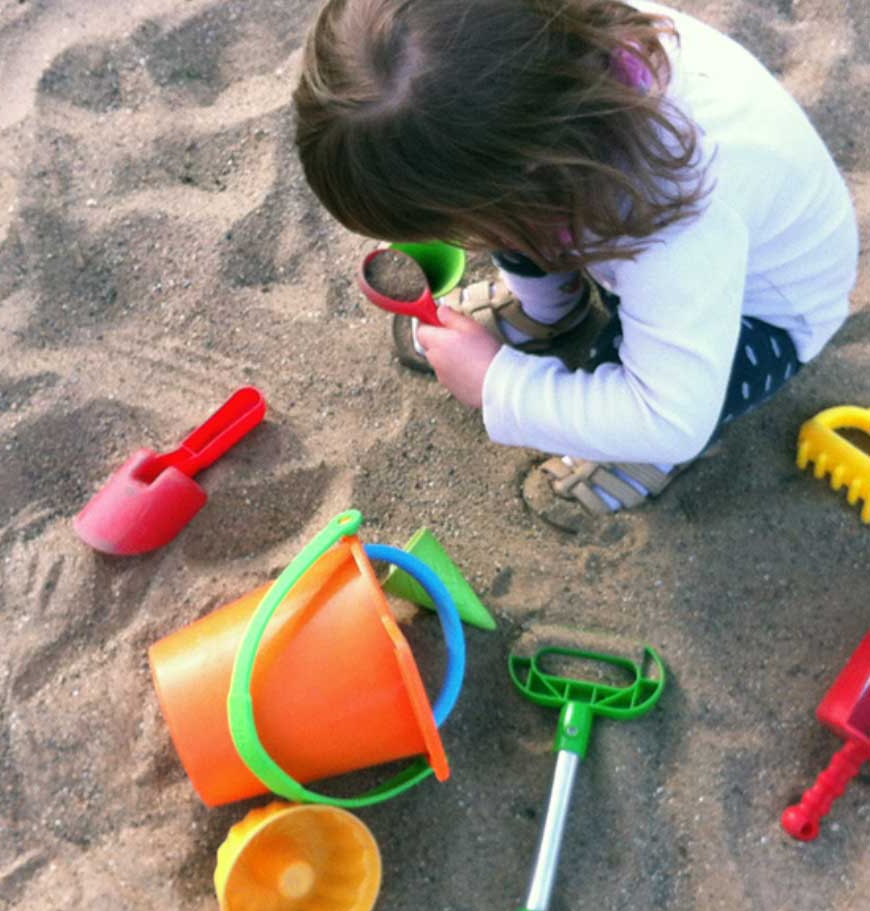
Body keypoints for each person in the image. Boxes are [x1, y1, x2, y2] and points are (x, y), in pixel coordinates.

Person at [293, 0, 860, 522]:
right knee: (508, 210)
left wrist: (498, 384)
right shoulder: (543, 61)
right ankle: (549, 309)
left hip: (763, 312)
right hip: (592, 201)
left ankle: (633, 450)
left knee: (616, 374)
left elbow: (672, 417)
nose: (460, 239)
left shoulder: (674, 224)